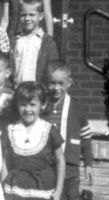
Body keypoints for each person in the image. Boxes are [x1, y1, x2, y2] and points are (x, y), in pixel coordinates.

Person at [1, 82, 65, 200]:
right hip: (15, 188)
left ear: (43, 105)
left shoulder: (49, 130)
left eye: (32, 104)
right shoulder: (11, 130)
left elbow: (60, 161)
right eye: (23, 104)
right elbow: (5, 161)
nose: (27, 109)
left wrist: (58, 191)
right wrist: (3, 189)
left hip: (42, 188)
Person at [45, 61, 93, 200]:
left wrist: (88, 164)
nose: (56, 88)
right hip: (48, 166)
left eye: (61, 83)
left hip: (70, 166)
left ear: (69, 83)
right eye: (52, 83)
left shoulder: (77, 107)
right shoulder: (42, 106)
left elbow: (86, 138)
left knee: (71, 196)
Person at [10, 0, 59, 86]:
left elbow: (53, 70)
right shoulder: (14, 41)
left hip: (38, 92)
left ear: (40, 16)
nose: (27, 18)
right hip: (17, 90)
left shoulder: (47, 42)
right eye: (23, 15)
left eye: (32, 15)